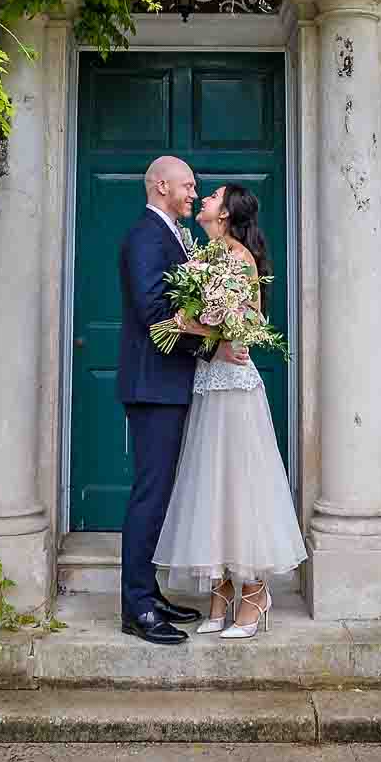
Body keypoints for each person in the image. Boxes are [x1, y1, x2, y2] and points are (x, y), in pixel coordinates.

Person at [153, 182, 306, 639]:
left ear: (225, 213)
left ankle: (255, 593)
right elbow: (205, 312)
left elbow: (250, 319)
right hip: (209, 382)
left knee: (239, 483)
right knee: (209, 483)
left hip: (236, 386)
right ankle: (220, 590)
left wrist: (192, 323)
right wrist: (196, 322)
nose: (203, 198)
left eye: (213, 196)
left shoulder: (237, 257)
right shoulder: (205, 253)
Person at [116, 154, 247, 645]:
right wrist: (211, 336)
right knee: (150, 494)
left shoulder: (175, 234)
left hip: (171, 382)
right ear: (160, 185)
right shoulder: (145, 237)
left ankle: (148, 592)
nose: (194, 193)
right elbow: (156, 313)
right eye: (188, 185)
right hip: (152, 385)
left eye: (195, 187)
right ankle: (136, 608)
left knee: (162, 493)